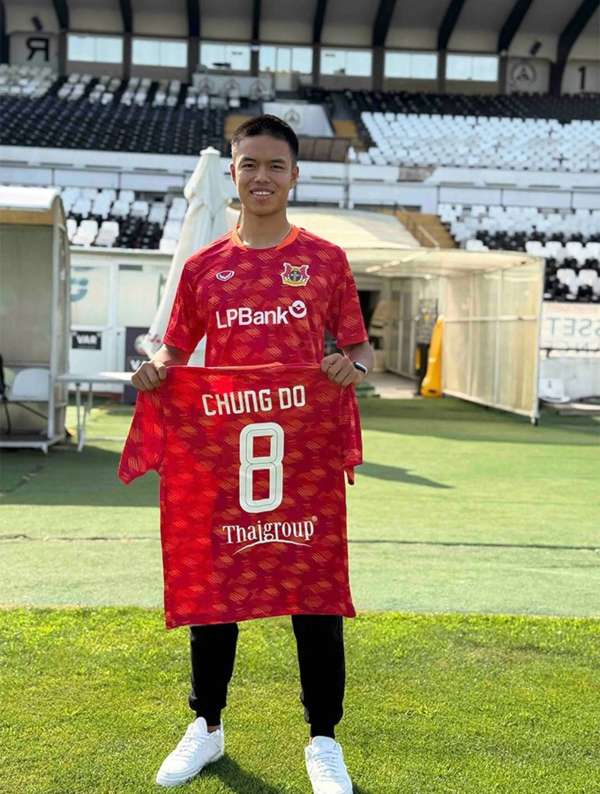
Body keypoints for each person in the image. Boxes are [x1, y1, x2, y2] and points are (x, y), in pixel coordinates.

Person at [132, 114, 374, 792]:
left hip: (304, 459)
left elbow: (358, 347)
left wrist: (351, 367)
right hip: (224, 458)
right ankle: (206, 726)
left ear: (294, 175)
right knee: (215, 592)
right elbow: (174, 352)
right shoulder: (203, 267)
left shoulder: (325, 261)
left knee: (316, 597)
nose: (261, 177)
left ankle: (323, 740)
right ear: (234, 174)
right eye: (249, 165)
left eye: (274, 165)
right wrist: (154, 370)